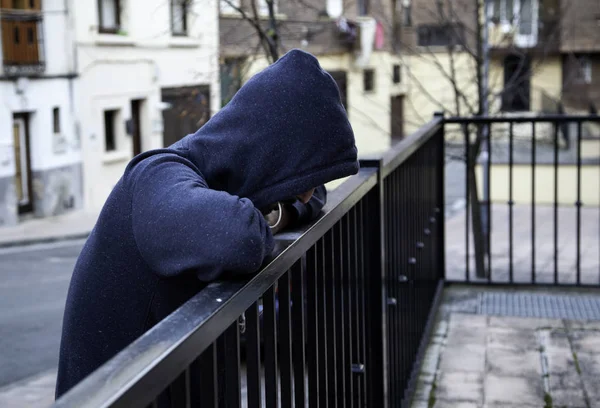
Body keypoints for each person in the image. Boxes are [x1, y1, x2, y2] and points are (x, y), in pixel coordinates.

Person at [55, 49, 359, 398]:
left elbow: (316, 195)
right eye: (299, 177)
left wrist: (276, 211)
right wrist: (265, 215)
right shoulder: (155, 178)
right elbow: (237, 241)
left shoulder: (216, 184)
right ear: (271, 151)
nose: (303, 195)